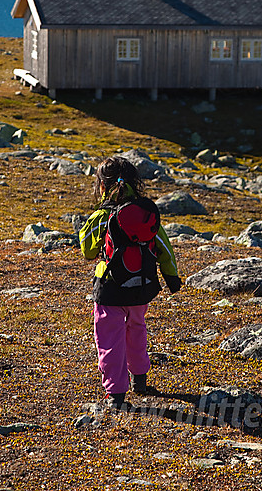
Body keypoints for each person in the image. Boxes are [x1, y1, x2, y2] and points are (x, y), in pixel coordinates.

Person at [79, 157, 181, 409]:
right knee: (137, 329)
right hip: (141, 287)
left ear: (102, 186)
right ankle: (140, 378)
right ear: (136, 183)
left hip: (110, 289)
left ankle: (115, 393)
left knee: (109, 339)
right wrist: (171, 277)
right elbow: (164, 247)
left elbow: (88, 251)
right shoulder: (146, 213)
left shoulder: (102, 216)